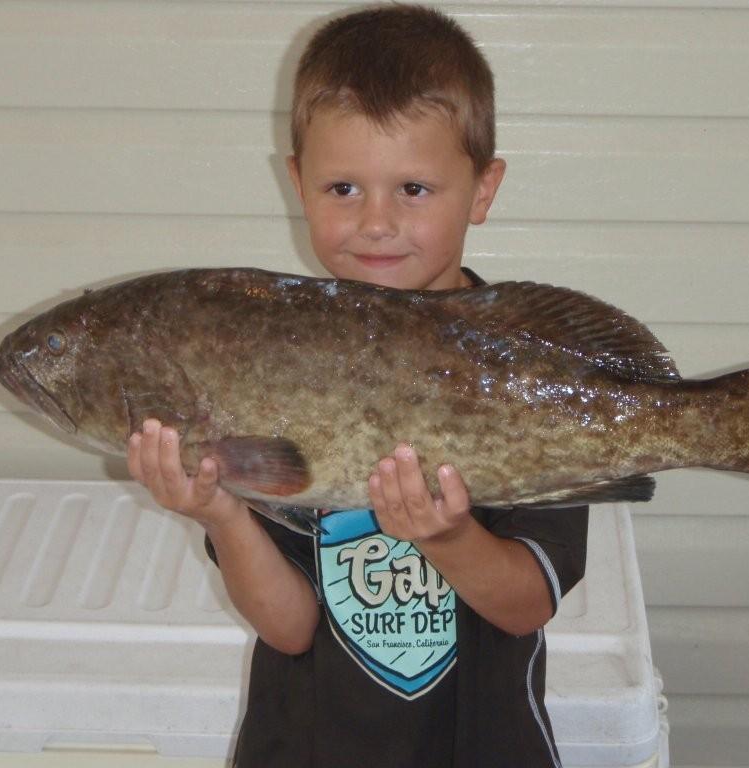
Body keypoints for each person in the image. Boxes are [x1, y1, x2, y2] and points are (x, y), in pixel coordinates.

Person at [127, 5, 589, 766]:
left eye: (413, 188)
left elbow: (525, 605)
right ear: (298, 183)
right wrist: (222, 515)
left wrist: (448, 537)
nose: (376, 223)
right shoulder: (267, 363)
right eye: (343, 188)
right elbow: (288, 628)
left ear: (482, 189)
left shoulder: (526, 364)